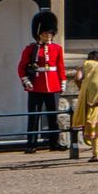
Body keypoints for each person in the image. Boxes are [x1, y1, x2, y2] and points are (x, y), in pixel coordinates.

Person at [18, 11, 65, 152]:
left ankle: (54, 143)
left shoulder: (57, 49)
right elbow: (21, 67)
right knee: (34, 116)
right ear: (39, 33)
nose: (48, 35)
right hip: (36, 86)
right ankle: (31, 145)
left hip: (53, 85)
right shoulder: (31, 49)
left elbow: (60, 67)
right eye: (45, 33)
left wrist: (62, 81)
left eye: (50, 33)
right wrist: (26, 80)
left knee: (53, 116)